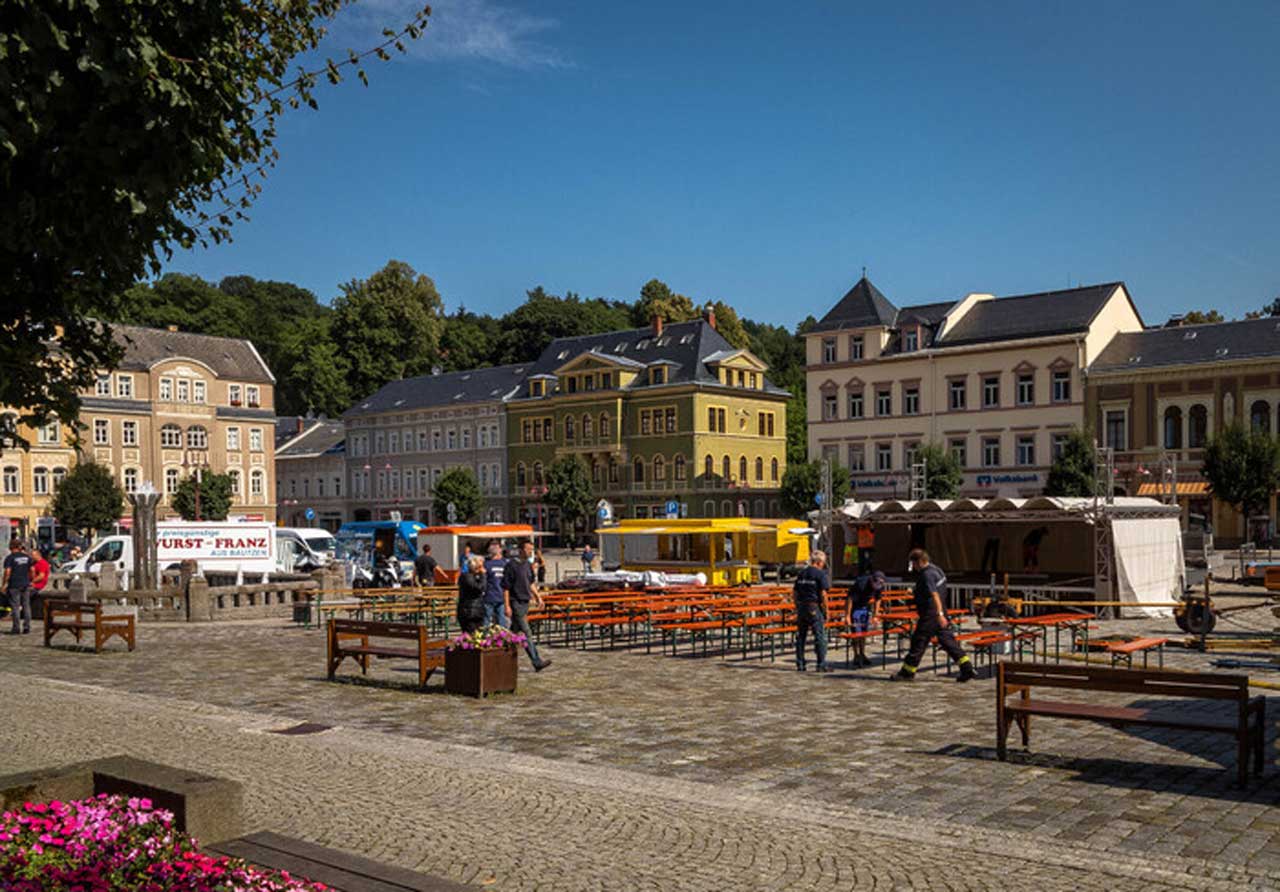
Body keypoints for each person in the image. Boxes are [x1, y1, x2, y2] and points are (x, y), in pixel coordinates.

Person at [892, 549, 975, 682]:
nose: (913, 567)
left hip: (931, 614)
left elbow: (934, 594)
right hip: (939, 611)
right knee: (948, 642)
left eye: (913, 564)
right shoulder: (938, 570)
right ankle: (967, 668)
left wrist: (939, 614)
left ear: (918, 562)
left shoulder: (927, 575)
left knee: (918, 642)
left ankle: (907, 672)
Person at [503, 540, 551, 671]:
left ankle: (501, 654)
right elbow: (506, 587)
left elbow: (530, 584)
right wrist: (507, 606)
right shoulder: (511, 565)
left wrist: (538, 597)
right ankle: (536, 661)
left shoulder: (528, 565)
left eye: (532, 549)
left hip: (525, 602)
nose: (531, 552)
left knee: (513, 632)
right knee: (526, 632)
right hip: (516, 601)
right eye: (528, 549)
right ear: (521, 550)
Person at [792, 550, 831, 672]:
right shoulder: (820, 574)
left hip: (802, 606)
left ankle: (800, 663)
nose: (824, 565)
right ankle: (821, 664)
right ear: (819, 562)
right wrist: (826, 610)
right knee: (819, 636)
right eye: (823, 563)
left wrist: (797, 606)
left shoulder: (802, 573)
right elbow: (823, 594)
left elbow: (794, 592)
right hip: (814, 606)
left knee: (801, 636)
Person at [845, 565, 885, 668]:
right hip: (855, 607)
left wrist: (876, 615)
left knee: (863, 633)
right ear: (872, 580)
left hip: (865, 607)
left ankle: (862, 654)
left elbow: (878, 599)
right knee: (856, 633)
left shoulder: (880, 585)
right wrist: (847, 615)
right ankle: (856, 655)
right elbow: (850, 599)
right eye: (875, 583)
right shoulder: (861, 583)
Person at [2, 539, 33, 635]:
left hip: (14, 584)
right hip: (25, 584)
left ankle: (16, 628)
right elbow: (32, 570)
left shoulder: (10, 558)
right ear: (19, 547)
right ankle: (27, 627)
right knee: (26, 606)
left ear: (10, 547)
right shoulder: (27, 557)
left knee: (15, 607)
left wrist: (4, 584)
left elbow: (7, 572)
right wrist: (30, 580)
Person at [456, 555, 487, 634]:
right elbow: (479, 588)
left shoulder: (475, 576)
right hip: (469, 612)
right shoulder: (466, 576)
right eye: (480, 566)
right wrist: (483, 575)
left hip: (477, 611)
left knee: (479, 635)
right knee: (471, 636)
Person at [482, 543, 508, 628]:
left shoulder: (486, 564)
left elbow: (483, 581)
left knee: (486, 621)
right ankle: (502, 639)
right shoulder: (505, 564)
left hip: (489, 595)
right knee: (501, 622)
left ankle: (484, 639)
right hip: (502, 596)